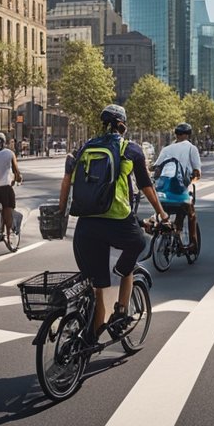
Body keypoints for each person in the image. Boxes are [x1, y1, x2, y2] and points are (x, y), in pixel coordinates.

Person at [58, 105, 168, 344]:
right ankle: (120, 306)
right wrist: (162, 214)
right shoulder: (130, 149)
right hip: (117, 220)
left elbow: (67, 179)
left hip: (85, 225)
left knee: (99, 287)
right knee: (138, 242)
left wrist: (60, 212)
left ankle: (88, 343)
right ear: (122, 125)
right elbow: (146, 186)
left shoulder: (85, 147)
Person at [153, 122, 203, 255]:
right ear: (188, 135)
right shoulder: (191, 148)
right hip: (180, 193)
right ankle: (193, 244)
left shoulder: (166, 149)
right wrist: (189, 181)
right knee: (190, 214)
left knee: (165, 213)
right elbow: (197, 173)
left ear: (176, 135)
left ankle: (168, 231)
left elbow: (156, 170)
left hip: (162, 194)